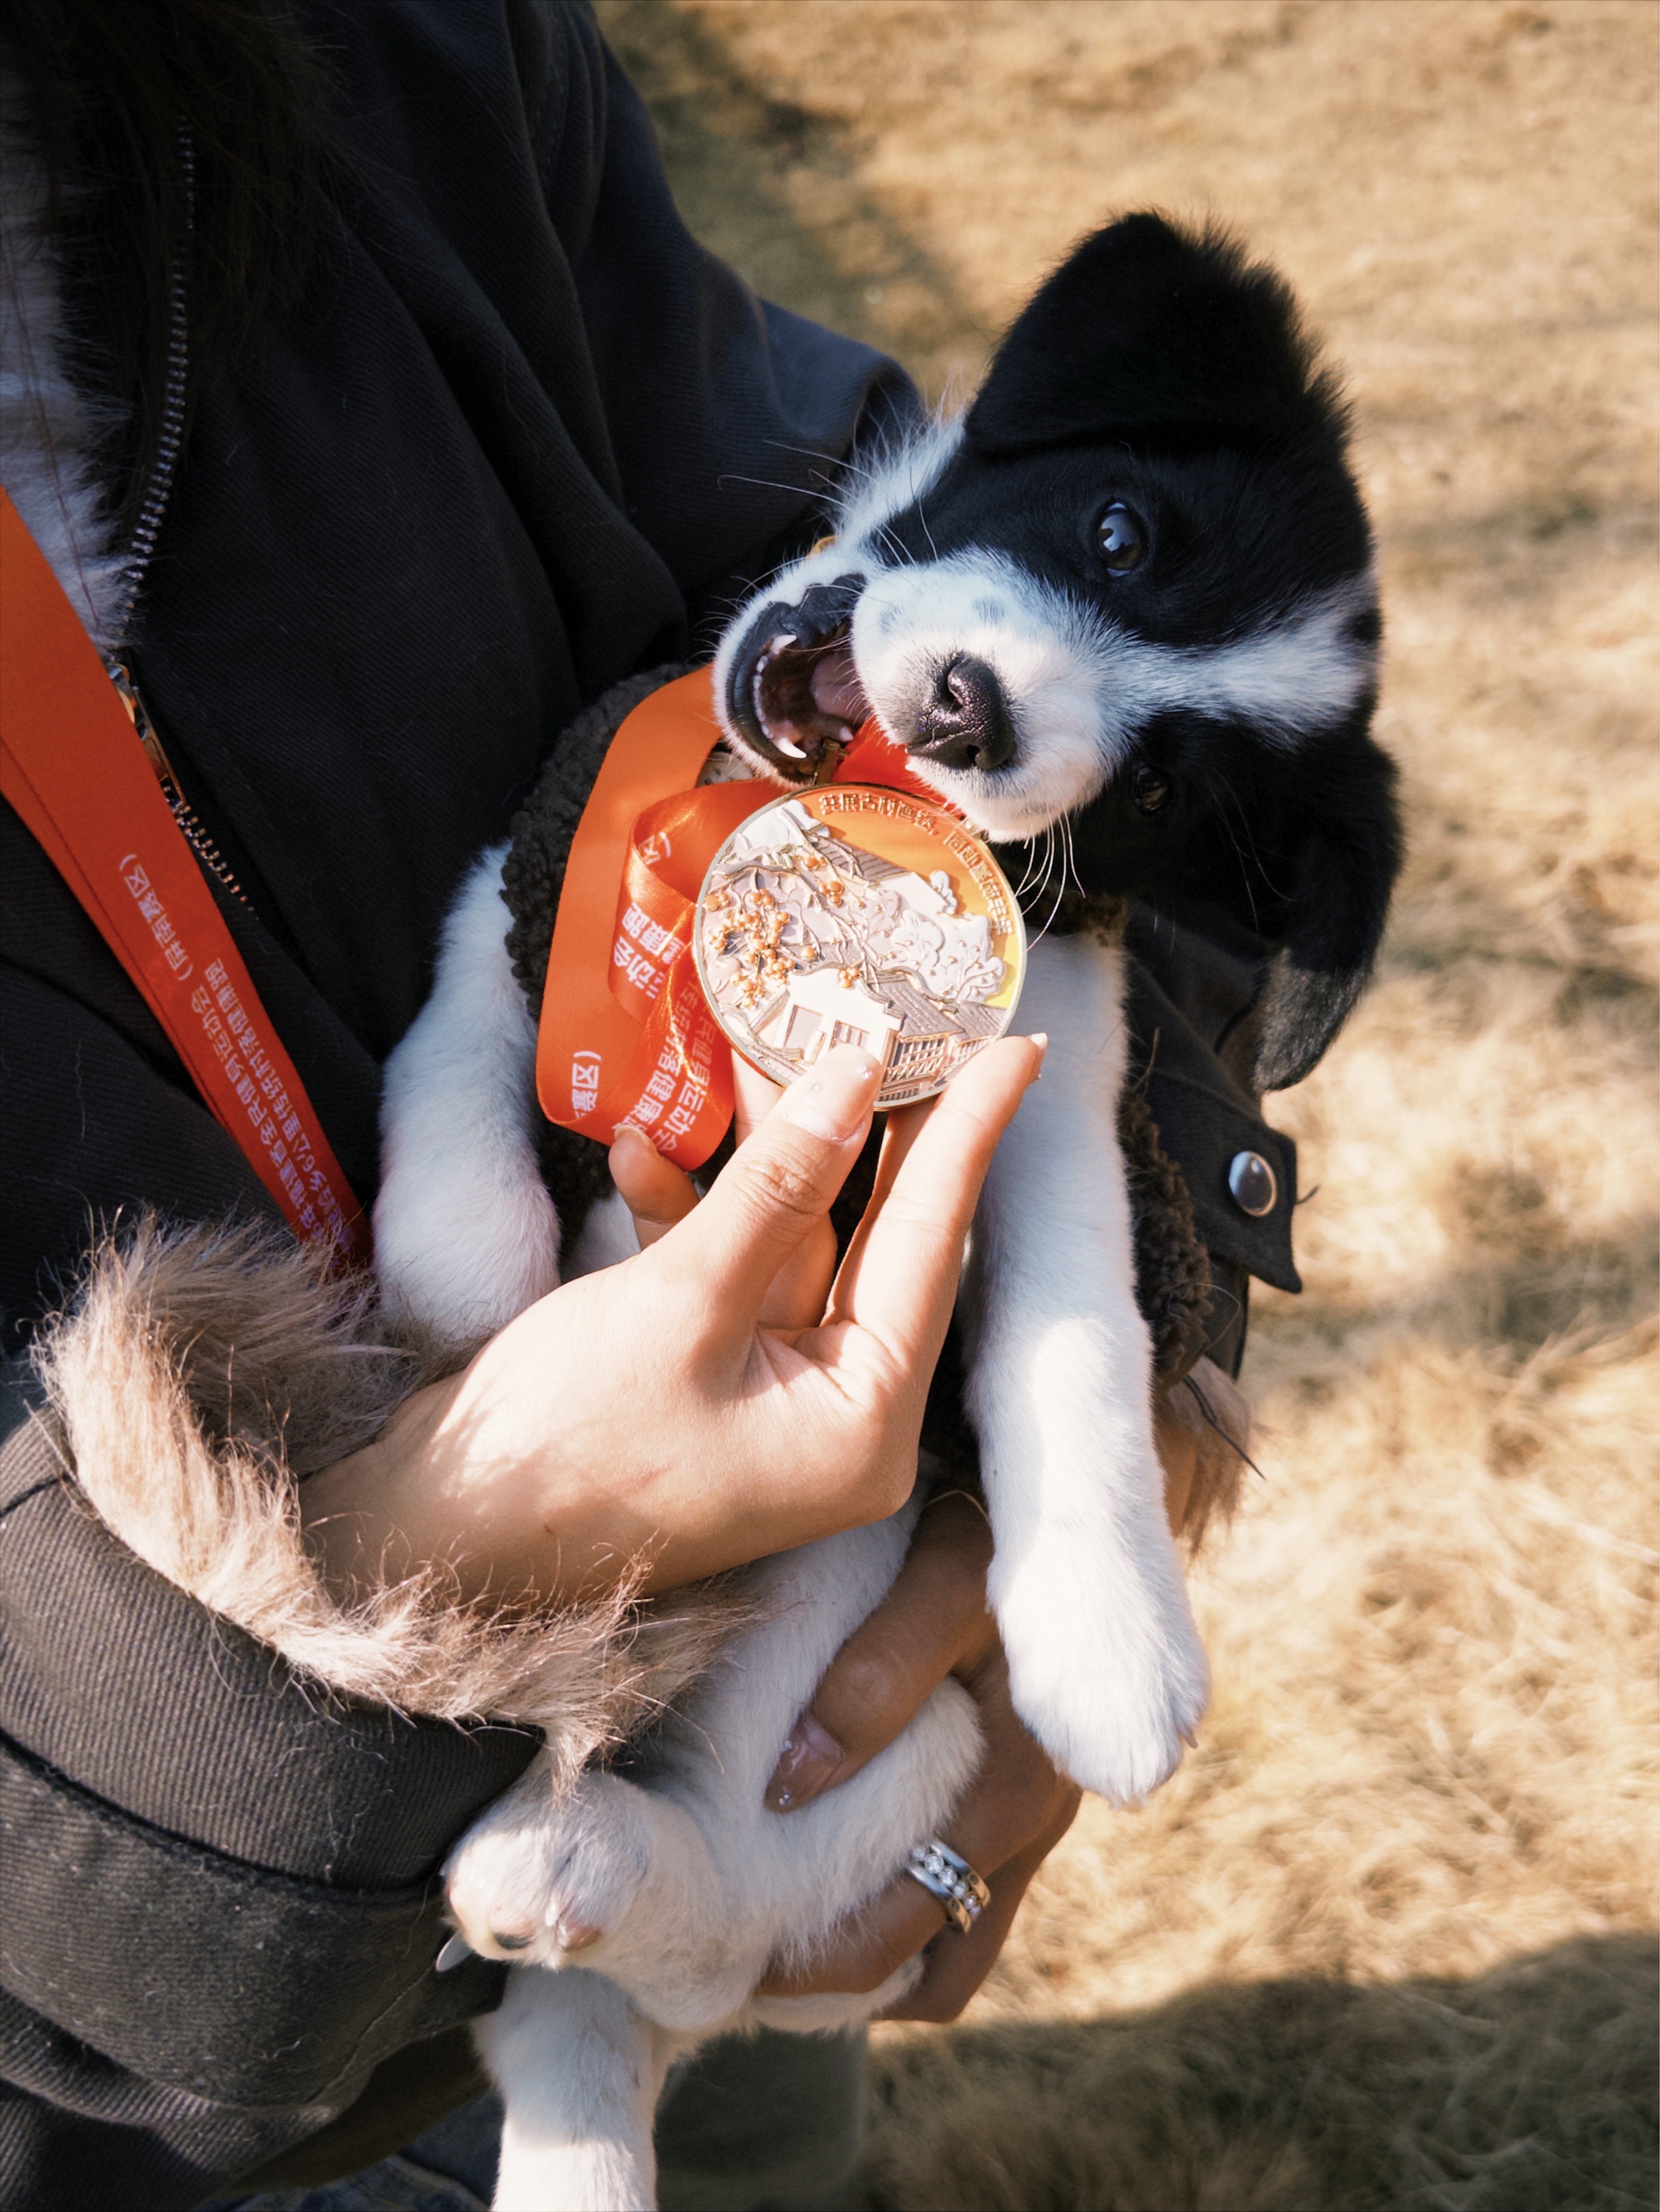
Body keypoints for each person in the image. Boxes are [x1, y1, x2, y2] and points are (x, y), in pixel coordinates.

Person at [0, 5, 1298, 2206]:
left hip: (780, 1752)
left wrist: (1054, 1433)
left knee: (753, 2055)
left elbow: (878, 550)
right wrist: (419, 1561)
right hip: (128, 2117)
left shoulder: (371, 49)